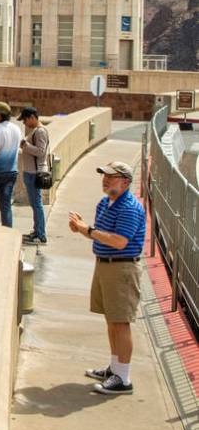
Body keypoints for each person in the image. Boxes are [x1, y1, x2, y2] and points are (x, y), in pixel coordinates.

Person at [68, 161, 146, 396]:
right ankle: (115, 368)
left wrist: (87, 230)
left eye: (111, 177)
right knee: (112, 320)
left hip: (121, 270)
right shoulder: (105, 203)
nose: (105, 179)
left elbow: (119, 240)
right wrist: (81, 229)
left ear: (125, 182)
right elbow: (101, 236)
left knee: (120, 322)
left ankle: (123, 378)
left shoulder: (130, 207)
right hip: (106, 266)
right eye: (104, 175)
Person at [18, 107, 50, 244]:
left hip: (35, 173)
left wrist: (25, 145)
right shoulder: (34, 131)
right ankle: (37, 230)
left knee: (37, 204)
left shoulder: (40, 131)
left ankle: (40, 235)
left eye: (25, 120)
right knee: (35, 204)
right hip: (30, 172)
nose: (24, 123)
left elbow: (41, 152)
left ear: (32, 117)